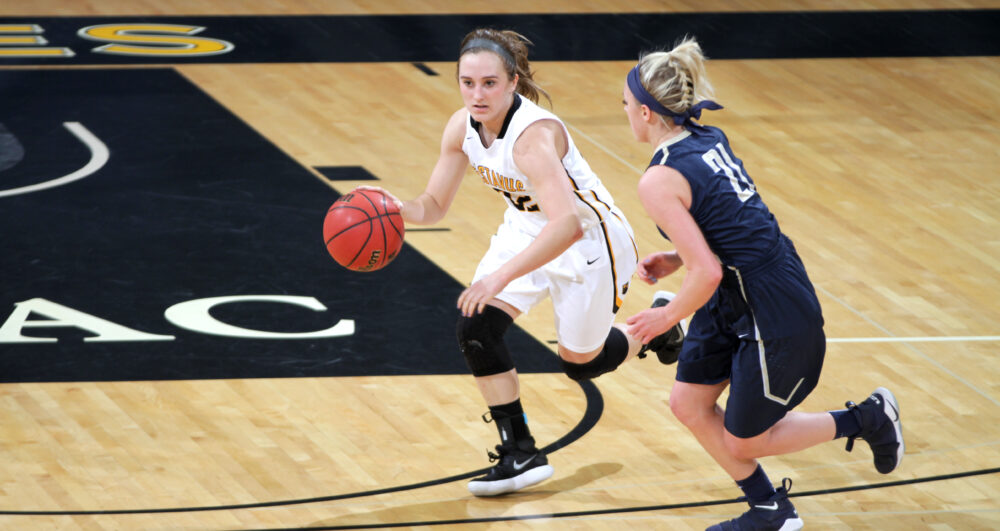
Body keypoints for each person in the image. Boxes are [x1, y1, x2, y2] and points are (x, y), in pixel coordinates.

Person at [359, 28, 684, 497]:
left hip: (590, 241)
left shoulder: (533, 138)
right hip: (527, 228)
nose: (477, 93)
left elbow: (567, 224)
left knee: (581, 364)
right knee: (475, 328)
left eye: (489, 83)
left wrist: (500, 276)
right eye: (467, 83)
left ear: (513, 82)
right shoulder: (461, 127)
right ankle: (520, 450)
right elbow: (433, 204)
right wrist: (395, 209)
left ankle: (658, 328)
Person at [620, 37, 905, 530]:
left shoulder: (658, 180)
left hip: (770, 303)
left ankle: (868, 417)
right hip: (741, 285)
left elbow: (706, 272)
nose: (624, 112)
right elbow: (728, 224)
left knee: (745, 439)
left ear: (647, 113)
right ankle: (770, 509)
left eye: (625, 105)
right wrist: (675, 256)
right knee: (688, 402)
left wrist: (664, 317)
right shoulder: (708, 137)